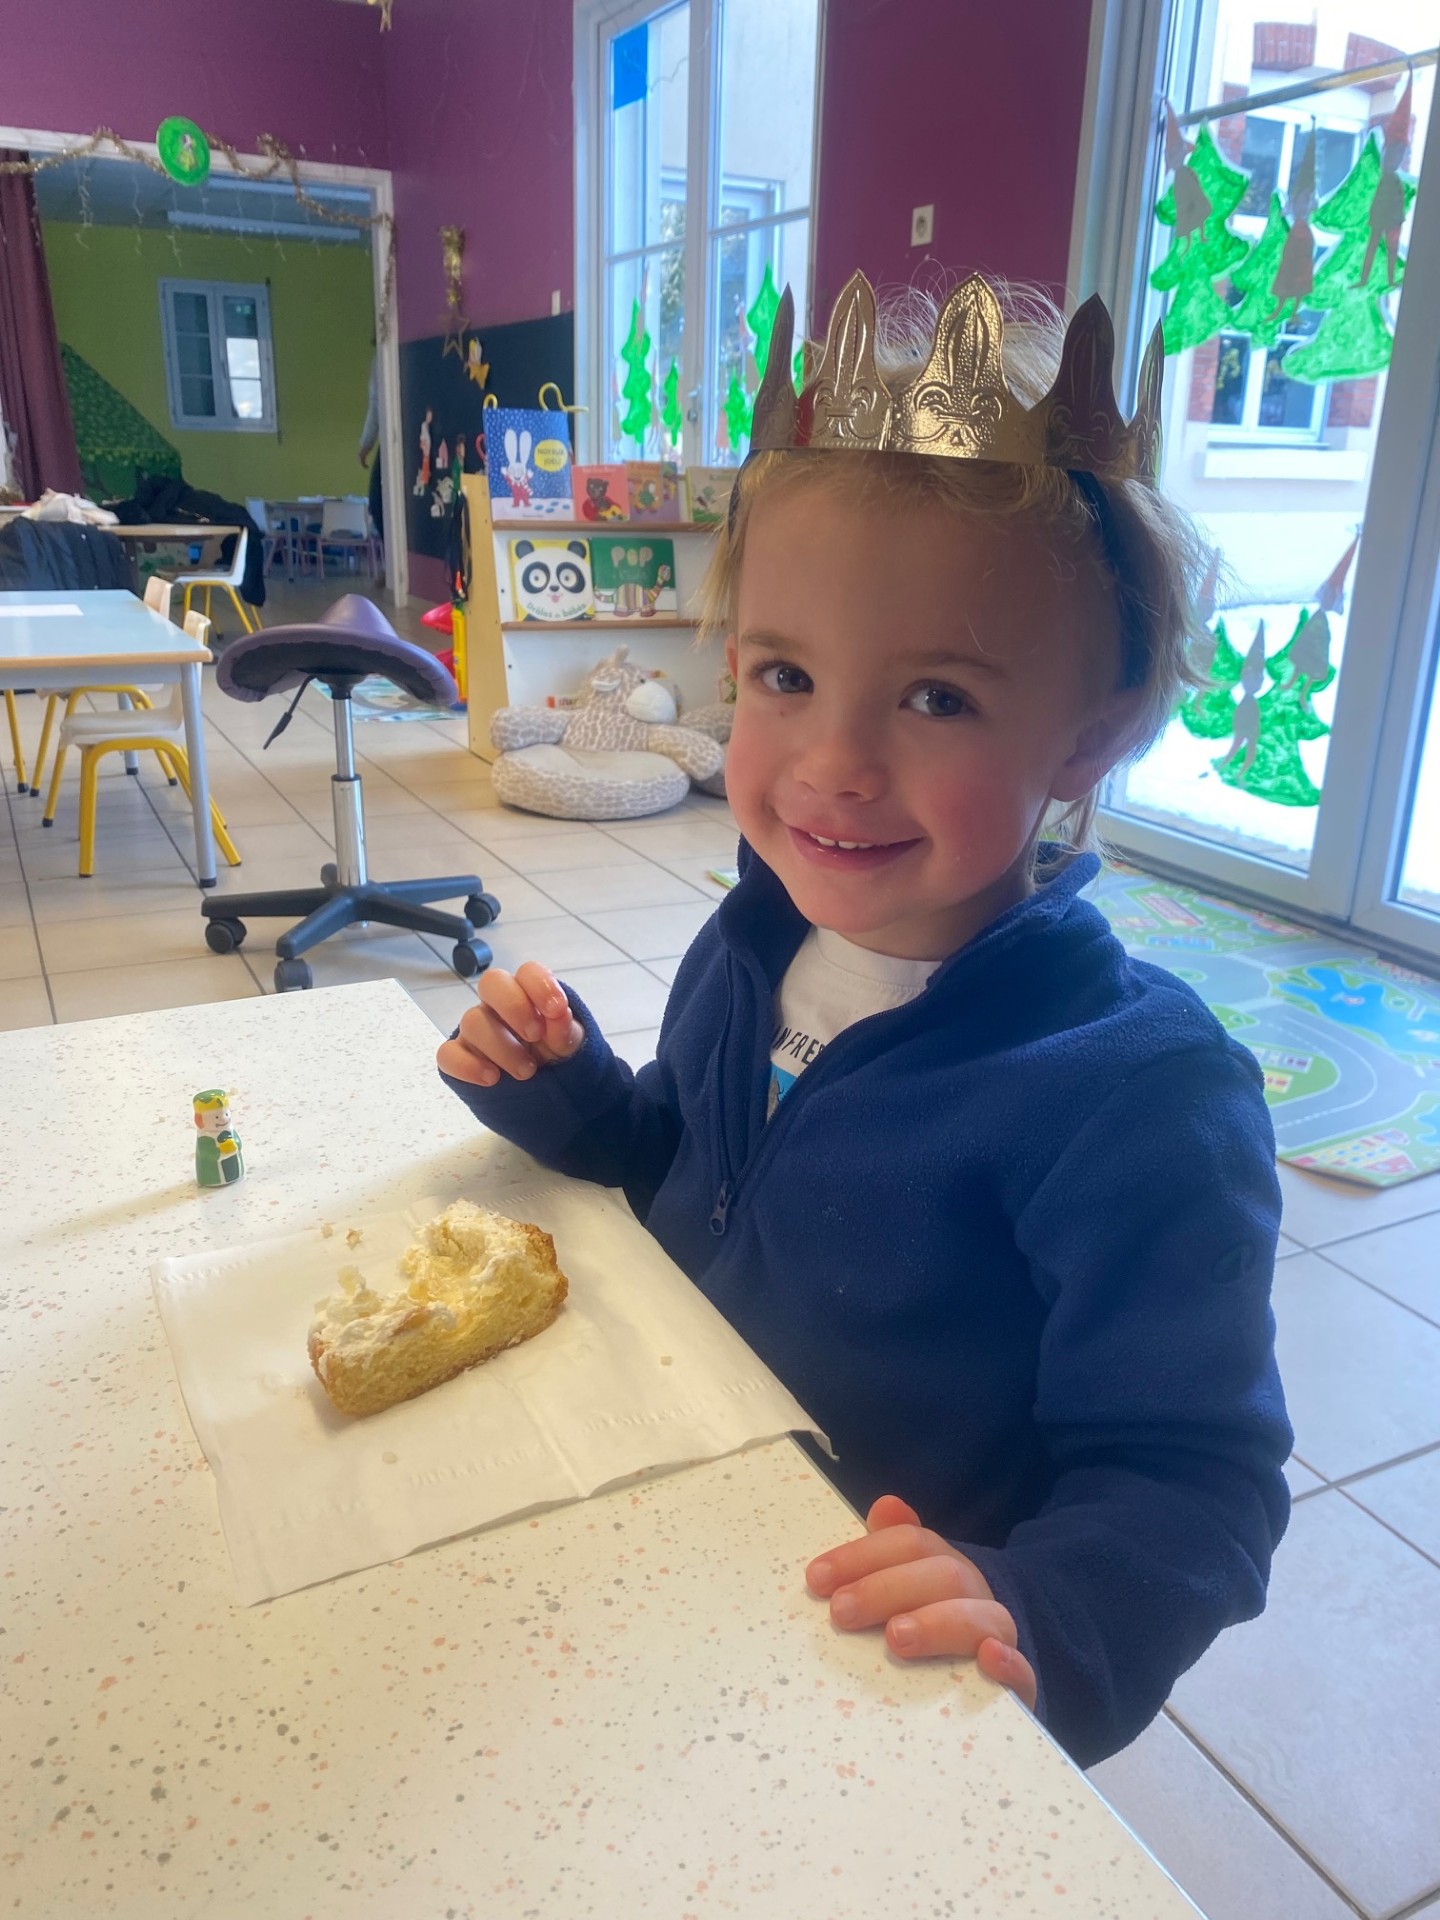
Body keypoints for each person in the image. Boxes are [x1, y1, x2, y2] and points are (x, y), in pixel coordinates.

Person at [435, 273, 1292, 1767]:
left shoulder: (1142, 1099)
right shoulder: (755, 940)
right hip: (666, 1538)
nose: (831, 763)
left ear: (1090, 734)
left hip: (865, 1673)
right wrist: (567, 1091)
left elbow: (1196, 1483)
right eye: (786, 676)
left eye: (938, 699)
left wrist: (1036, 1606)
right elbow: (682, 1166)